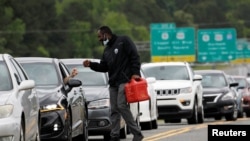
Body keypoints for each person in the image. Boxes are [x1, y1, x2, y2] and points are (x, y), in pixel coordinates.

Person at [83, 26, 143, 141]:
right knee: (114, 109)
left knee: (121, 105)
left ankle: (137, 133)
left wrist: (135, 72)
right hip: (113, 83)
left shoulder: (123, 41)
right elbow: (104, 67)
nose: (99, 39)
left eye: (100, 36)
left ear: (106, 34)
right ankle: (115, 135)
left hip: (125, 80)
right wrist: (91, 64)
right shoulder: (107, 50)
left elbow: (134, 56)